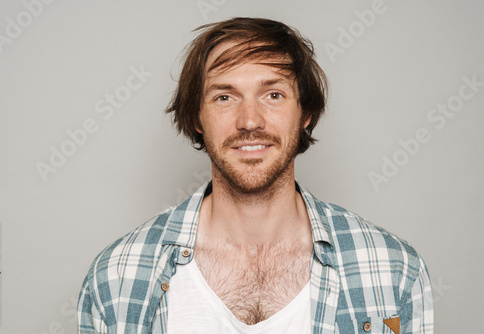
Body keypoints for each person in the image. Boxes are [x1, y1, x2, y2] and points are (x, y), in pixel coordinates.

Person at [77, 17, 433, 334]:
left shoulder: (392, 269)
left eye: (273, 94)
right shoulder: (118, 276)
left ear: (305, 112)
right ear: (197, 117)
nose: (250, 120)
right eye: (224, 97)